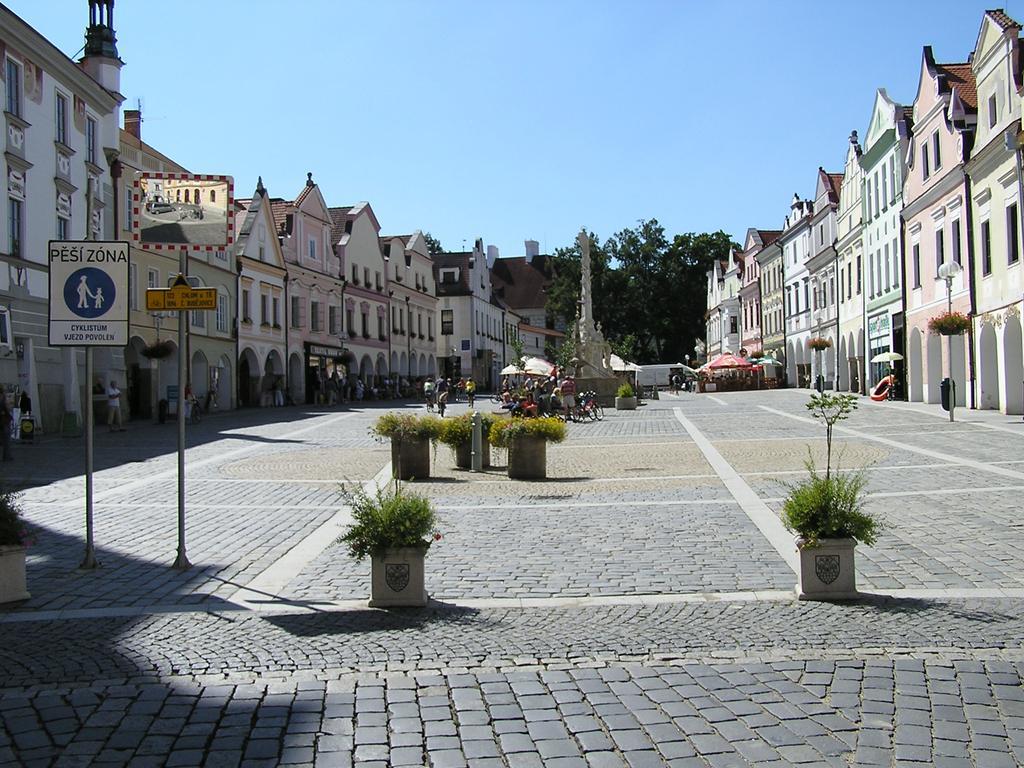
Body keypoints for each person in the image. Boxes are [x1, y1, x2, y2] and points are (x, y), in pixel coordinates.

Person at [0, 393, 12, 461]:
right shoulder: (2, 402)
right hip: (4, 423)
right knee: (6, 440)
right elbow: (6, 411)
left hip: (3, 422)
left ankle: (7, 456)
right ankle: (7, 456)